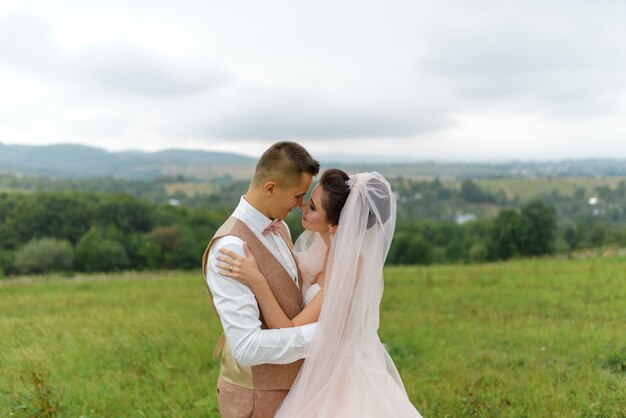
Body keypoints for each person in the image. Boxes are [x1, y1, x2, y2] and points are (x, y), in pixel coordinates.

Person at [217, 169, 423, 417]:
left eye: (313, 207)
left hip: (341, 379)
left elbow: (286, 327)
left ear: (334, 225)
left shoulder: (347, 268)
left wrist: (257, 280)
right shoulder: (320, 249)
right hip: (316, 369)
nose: (302, 207)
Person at [201, 141, 320, 417]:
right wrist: (321, 335)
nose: (301, 205)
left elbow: (291, 300)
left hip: (296, 391)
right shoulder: (229, 248)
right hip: (258, 398)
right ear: (270, 188)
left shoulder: (282, 229)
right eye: (297, 196)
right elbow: (247, 348)